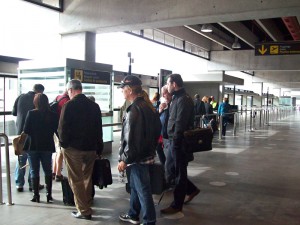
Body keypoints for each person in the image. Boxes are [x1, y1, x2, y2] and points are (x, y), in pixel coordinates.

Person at [118, 75, 161, 225]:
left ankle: (149, 220)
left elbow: (130, 139)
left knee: (143, 190)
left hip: (136, 158)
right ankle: (133, 214)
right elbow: (157, 131)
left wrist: (124, 159)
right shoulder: (148, 106)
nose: (122, 91)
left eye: (123, 88)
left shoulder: (133, 109)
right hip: (146, 154)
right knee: (136, 187)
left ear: (129, 90)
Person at [58, 79, 103, 220]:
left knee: (76, 179)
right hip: (91, 148)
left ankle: (84, 210)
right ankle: (87, 204)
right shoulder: (94, 106)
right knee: (87, 178)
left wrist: (64, 144)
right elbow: (98, 129)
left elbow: (62, 128)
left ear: (71, 90)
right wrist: (99, 148)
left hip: (73, 149)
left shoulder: (69, 105)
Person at [161, 74, 200, 215]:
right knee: (171, 170)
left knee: (179, 173)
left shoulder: (183, 99)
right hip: (173, 141)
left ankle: (177, 204)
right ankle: (191, 189)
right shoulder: (177, 98)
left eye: (168, 83)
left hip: (179, 142)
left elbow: (180, 123)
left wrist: (176, 142)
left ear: (174, 84)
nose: (167, 85)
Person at [23, 93, 58, 203]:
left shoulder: (31, 114)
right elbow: (56, 130)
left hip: (33, 145)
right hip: (47, 145)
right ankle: (49, 195)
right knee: (48, 170)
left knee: (34, 170)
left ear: (35, 102)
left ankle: (36, 195)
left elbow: (26, 130)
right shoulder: (53, 115)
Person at [12, 84, 45, 192]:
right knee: (32, 159)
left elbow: (14, 113)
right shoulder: (38, 100)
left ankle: (19, 183)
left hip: (20, 132)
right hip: (32, 134)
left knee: (21, 158)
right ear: (40, 91)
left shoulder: (21, 97)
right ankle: (32, 184)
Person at [52, 90, 70, 182]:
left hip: (55, 129)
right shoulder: (67, 101)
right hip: (61, 130)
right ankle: (58, 174)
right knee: (61, 152)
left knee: (57, 151)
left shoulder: (58, 97)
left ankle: (54, 172)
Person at [156, 85, 172, 166]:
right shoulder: (162, 104)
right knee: (159, 149)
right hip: (161, 133)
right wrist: (160, 110)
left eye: (164, 93)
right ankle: (164, 167)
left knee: (170, 155)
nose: (163, 96)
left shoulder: (173, 104)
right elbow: (156, 116)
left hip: (169, 134)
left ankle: (168, 170)